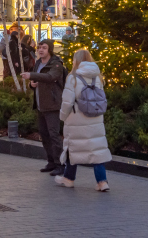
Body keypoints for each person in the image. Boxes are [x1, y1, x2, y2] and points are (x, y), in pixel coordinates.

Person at [55, 49, 111, 191]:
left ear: (76, 60)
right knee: (97, 150)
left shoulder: (72, 77)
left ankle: (68, 179)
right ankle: (102, 182)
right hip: (95, 118)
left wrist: (62, 117)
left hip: (76, 119)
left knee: (73, 149)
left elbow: (67, 102)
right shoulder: (97, 77)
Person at [22, 39, 66, 176]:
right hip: (41, 105)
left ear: (50, 50)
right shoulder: (39, 64)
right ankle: (51, 161)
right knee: (44, 134)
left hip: (52, 104)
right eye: (39, 48)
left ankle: (60, 164)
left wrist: (31, 76)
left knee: (54, 135)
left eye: (44, 48)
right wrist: (31, 84)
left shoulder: (56, 64)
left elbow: (50, 77)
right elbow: (37, 81)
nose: (41, 50)